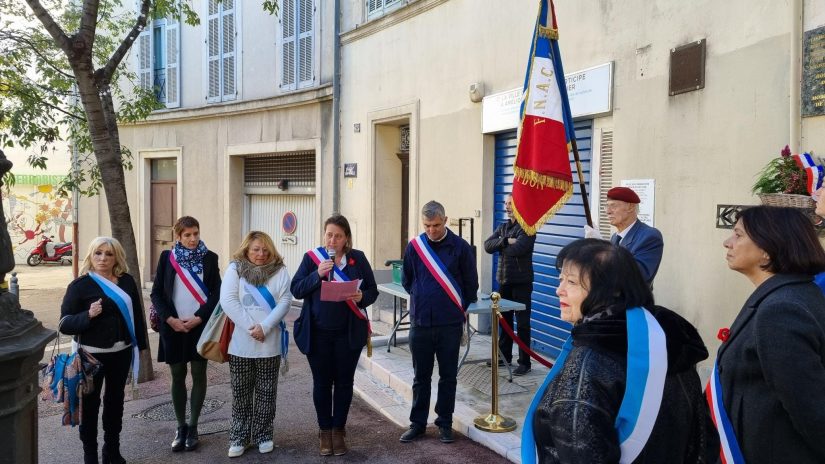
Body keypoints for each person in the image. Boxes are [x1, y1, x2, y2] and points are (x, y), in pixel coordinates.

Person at [523, 238, 716, 463]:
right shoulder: (668, 338)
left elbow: (581, 451)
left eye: (572, 282)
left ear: (610, 291)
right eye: (561, 279)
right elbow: (702, 435)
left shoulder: (591, 359)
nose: (559, 290)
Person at [711, 206, 825, 463]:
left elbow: (811, 409)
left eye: (738, 235)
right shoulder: (791, 294)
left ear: (766, 251)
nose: (727, 243)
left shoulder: (781, 310)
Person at [291, 214, 378, 456]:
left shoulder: (357, 259)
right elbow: (296, 289)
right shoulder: (312, 259)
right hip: (317, 334)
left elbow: (372, 290)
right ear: (324, 235)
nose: (332, 240)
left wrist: (362, 297)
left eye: (338, 236)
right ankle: (324, 431)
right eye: (329, 234)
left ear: (346, 239)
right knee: (321, 384)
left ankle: (339, 430)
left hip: (347, 334)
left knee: (344, 383)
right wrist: (317, 274)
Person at [59, 237, 149, 464]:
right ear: (90, 255)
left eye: (108, 254)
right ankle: (90, 455)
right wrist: (88, 315)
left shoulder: (126, 281)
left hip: (121, 352)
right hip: (91, 356)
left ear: (116, 257)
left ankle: (112, 451)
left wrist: (142, 348)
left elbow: (137, 315)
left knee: (115, 402)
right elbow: (64, 324)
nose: (103, 258)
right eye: (98, 253)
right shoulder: (80, 286)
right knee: (90, 406)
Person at [399, 201, 478, 444]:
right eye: (426, 226)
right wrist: (424, 299)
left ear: (445, 220)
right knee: (420, 377)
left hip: (449, 326)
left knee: (448, 377)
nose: (431, 230)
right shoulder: (415, 247)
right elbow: (407, 281)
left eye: (435, 225)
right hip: (421, 324)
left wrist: (453, 309)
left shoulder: (461, 248)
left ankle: (444, 423)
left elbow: (470, 285)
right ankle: (418, 424)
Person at [150, 216, 221, 452]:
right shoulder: (167, 259)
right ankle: (180, 427)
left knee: (199, 373)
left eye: (196, 234)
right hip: (173, 326)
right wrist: (170, 319)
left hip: (199, 325)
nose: (193, 239)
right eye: (187, 235)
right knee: (177, 374)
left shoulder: (210, 259)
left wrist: (200, 317)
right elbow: (157, 293)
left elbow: (216, 294)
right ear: (178, 236)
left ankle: (193, 426)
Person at [220, 231, 292, 458]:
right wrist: (253, 327)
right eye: (255, 249)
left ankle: (264, 435)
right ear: (246, 250)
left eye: (265, 250)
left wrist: (266, 327)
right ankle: (239, 436)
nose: (261, 254)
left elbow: (285, 301)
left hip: (269, 344)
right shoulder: (235, 269)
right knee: (241, 393)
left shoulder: (280, 271)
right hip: (241, 344)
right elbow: (228, 301)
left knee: (267, 392)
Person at [484, 193, 536, 376]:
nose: (507, 207)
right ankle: (503, 356)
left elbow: (519, 249)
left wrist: (501, 246)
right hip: (504, 281)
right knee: (504, 321)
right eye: (505, 203)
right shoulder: (503, 227)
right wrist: (505, 241)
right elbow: (487, 246)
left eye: (511, 204)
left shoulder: (528, 228)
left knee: (522, 324)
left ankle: (525, 362)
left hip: (521, 282)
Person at [604, 186, 664, 284]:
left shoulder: (649, 236)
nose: (608, 211)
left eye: (613, 206)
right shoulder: (615, 237)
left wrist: (601, 251)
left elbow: (638, 275)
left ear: (630, 207)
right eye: (607, 206)